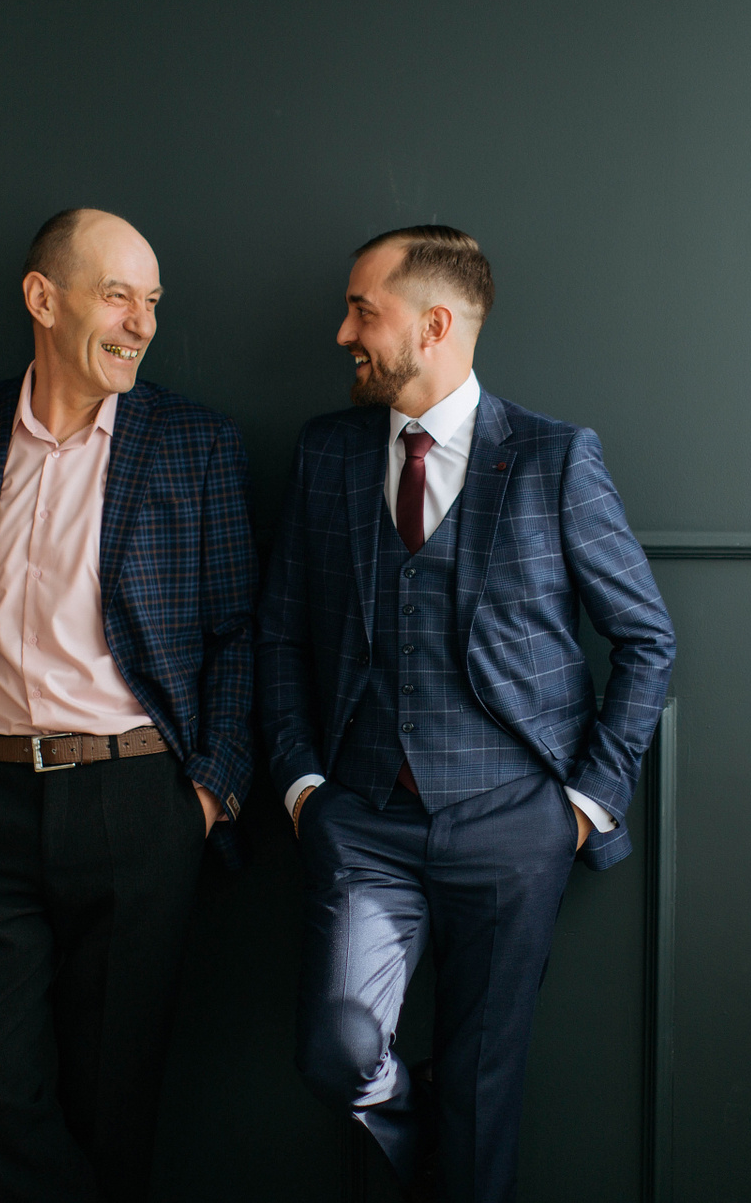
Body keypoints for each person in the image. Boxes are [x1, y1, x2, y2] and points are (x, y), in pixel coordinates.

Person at [257, 225, 676, 1201]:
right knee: (336, 1049)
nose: (342, 333)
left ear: (434, 324)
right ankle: (431, 1141)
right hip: (361, 819)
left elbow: (646, 637)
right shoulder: (326, 453)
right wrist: (302, 784)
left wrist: (586, 803)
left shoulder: (553, 458)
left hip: (515, 825)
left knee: (489, 1091)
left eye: (363, 311)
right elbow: (279, 632)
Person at [0, 208, 255, 1202]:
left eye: (153, 302)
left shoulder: (193, 441)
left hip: (138, 803)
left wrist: (204, 795)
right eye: (118, 295)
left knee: (113, 1106)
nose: (142, 324)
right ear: (43, 299)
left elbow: (237, 632)